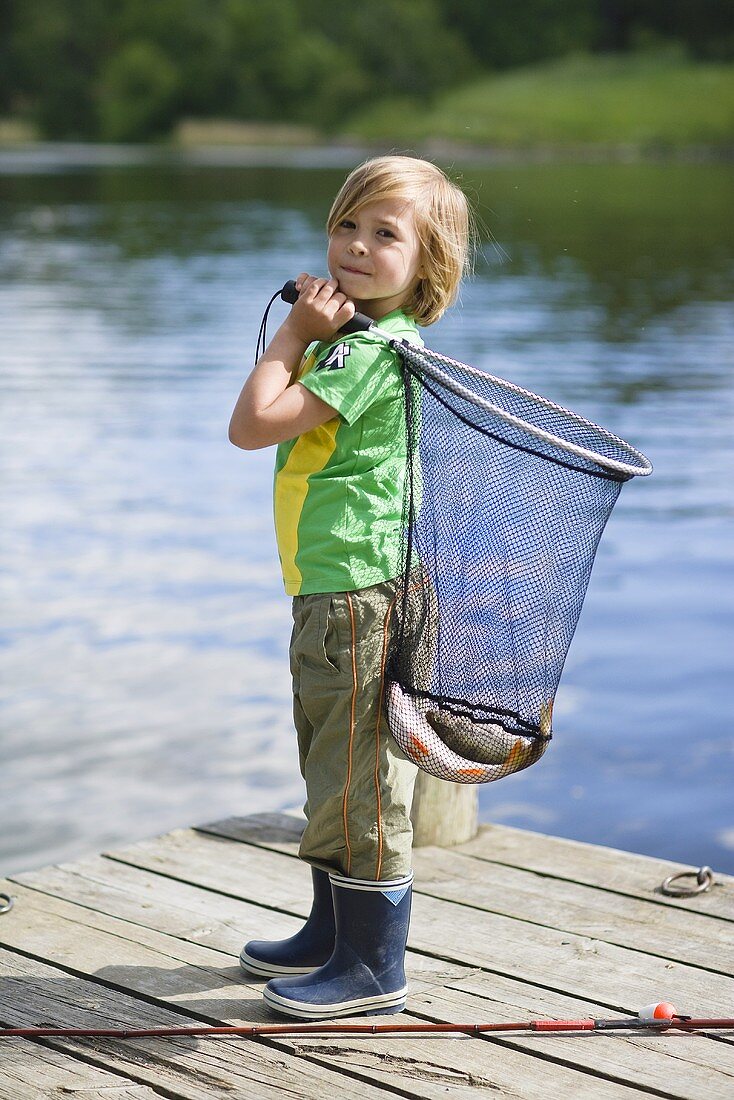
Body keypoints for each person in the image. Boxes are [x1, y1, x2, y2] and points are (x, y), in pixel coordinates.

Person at [228, 155, 473, 1019]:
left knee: (364, 779)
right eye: (347, 226)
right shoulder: (354, 344)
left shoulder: (370, 352)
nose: (357, 247)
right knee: (330, 764)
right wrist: (314, 333)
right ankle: (332, 931)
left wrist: (292, 337)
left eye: (385, 234)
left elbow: (252, 426)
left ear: (427, 266)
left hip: (362, 596)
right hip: (332, 589)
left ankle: (374, 967)